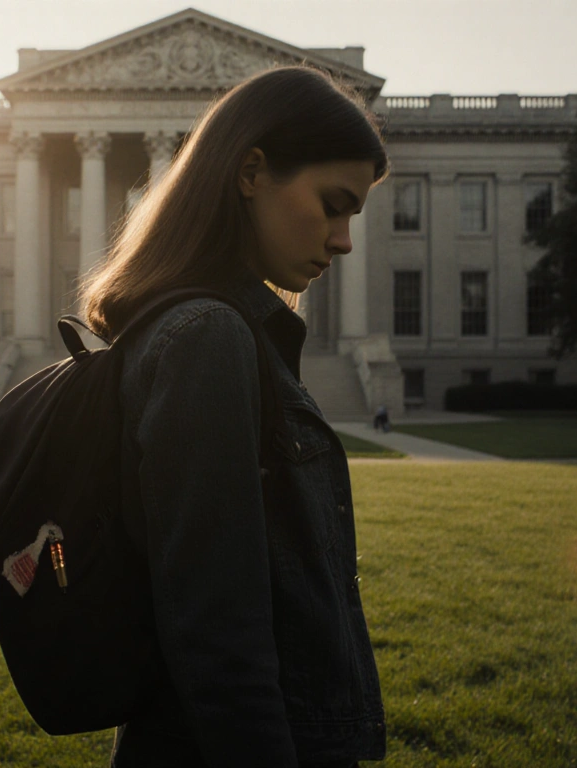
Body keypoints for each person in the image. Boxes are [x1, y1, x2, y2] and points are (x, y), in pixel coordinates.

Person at [80, 66, 388, 767]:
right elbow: (219, 636)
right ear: (251, 171)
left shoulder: (203, 328)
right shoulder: (206, 338)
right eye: (333, 204)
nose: (343, 240)